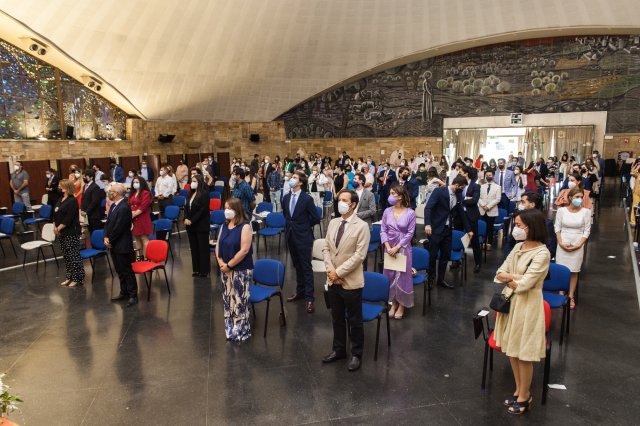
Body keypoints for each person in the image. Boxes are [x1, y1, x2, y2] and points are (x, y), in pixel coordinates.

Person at [494, 208, 551, 415]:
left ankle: (526, 396)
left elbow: (527, 285)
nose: (516, 229)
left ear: (532, 227)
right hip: (511, 301)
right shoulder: (518, 247)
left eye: (519, 226)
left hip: (528, 305)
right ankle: (518, 390)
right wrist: (515, 277)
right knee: (512, 349)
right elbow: (499, 273)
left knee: (523, 352)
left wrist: (511, 277)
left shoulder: (542, 253)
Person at [322, 189, 370, 371]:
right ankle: (339, 349)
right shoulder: (334, 222)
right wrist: (330, 271)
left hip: (350, 281)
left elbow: (359, 256)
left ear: (353, 205)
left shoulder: (361, 226)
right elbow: (326, 247)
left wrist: (338, 273)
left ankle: (356, 353)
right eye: (339, 199)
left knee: (355, 320)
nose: (340, 202)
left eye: (344, 200)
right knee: (337, 318)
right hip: (333, 280)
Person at [215, 197, 254, 342]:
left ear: (237, 210)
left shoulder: (245, 226)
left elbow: (244, 250)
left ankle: (242, 331)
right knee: (228, 299)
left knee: (240, 300)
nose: (226, 211)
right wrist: (220, 262)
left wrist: (229, 265)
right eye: (225, 208)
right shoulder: (224, 225)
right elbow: (218, 244)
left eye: (229, 209)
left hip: (241, 270)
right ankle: (230, 329)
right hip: (225, 269)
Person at [424, 175, 472, 289]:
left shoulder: (458, 195)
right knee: (433, 255)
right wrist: (427, 224)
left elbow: (461, 213)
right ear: (456, 185)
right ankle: (430, 279)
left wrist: (469, 229)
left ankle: (440, 280)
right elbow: (428, 208)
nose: (463, 189)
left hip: (448, 229)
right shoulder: (439, 191)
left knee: (445, 255)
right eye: (462, 187)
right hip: (435, 228)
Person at [283, 171, 321, 313]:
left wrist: (304, 226)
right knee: (297, 266)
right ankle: (300, 292)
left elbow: (316, 218)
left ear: (300, 182)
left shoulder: (307, 199)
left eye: (294, 178)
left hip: (303, 237)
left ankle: (309, 298)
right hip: (290, 236)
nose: (291, 179)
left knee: (306, 267)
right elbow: (286, 216)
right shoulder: (286, 198)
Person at [381, 184, 416, 319]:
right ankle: (393, 303)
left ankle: (402, 305)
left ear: (400, 196)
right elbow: (383, 230)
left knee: (402, 275)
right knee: (390, 275)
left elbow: (410, 233)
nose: (390, 196)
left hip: (403, 247)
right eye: (390, 193)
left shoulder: (410, 213)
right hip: (389, 246)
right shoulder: (386, 211)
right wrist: (388, 247)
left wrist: (397, 247)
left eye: (393, 194)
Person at [555, 187, 591, 309]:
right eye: (577, 197)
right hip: (563, 242)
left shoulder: (586, 212)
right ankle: (561, 294)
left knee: (574, 271)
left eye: (581, 197)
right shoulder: (562, 211)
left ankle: (571, 296)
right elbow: (557, 228)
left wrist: (580, 244)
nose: (579, 199)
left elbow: (587, 230)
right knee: (561, 269)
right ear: (570, 198)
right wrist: (560, 243)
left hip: (578, 243)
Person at [105, 184, 138, 307]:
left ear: (118, 193)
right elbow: (108, 223)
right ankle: (124, 292)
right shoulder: (114, 205)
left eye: (111, 191)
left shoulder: (124, 207)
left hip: (122, 244)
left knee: (127, 270)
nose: (109, 192)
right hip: (113, 243)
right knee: (119, 270)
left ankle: (133, 295)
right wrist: (105, 236)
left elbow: (120, 227)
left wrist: (110, 239)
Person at [54, 179, 84, 288]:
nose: (59, 187)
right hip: (61, 231)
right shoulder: (60, 199)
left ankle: (77, 278)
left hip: (71, 231)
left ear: (66, 187)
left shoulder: (72, 201)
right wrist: (54, 226)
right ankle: (69, 277)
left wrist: (59, 227)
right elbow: (55, 213)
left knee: (73, 255)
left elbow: (69, 218)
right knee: (66, 256)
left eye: (61, 185)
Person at [185, 174, 211, 277]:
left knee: (202, 248)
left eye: (195, 181)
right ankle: (196, 269)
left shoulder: (204, 194)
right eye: (192, 181)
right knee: (194, 248)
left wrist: (192, 220)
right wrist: (186, 218)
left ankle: (204, 271)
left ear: (199, 182)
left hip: (201, 225)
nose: (192, 183)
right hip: (190, 226)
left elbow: (203, 210)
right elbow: (186, 207)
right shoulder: (190, 194)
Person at [460, 166, 482, 273]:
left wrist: (462, 200)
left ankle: (478, 263)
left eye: (462, 173)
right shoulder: (459, 184)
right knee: (459, 236)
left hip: (471, 215)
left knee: (474, 239)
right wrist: (466, 199)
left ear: (467, 174)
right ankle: (456, 261)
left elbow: (474, 201)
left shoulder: (475, 186)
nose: (461, 175)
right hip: (459, 215)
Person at [128, 176, 153, 259]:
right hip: (134, 219)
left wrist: (133, 214)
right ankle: (139, 257)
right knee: (137, 238)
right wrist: (130, 213)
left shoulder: (145, 193)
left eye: (137, 182)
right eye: (134, 182)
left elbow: (143, 206)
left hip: (142, 218)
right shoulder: (133, 193)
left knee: (144, 238)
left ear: (141, 183)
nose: (135, 184)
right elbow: (129, 204)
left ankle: (147, 258)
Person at [479, 170, 501, 250]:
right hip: (482, 209)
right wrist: (483, 205)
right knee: (483, 227)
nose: (488, 176)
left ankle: (489, 243)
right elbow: (479, 197)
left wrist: (488, 206)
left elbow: (498, 199)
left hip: (491, 210)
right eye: (487, 175)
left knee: (490, 228)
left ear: (493, 176)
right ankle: (483, 242)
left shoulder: (497, 187)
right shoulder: (482, 186)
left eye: (490, 175)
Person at [80, 169, 106, 234]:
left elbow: (95, 201)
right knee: (90, 231)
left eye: (86, 176)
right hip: (87, 214)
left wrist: (86, 211)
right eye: (83, 176)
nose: (84, 178)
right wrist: (82, 210)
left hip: (94, 214)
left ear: (91, 177)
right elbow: (84, 199)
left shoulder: (95, 187)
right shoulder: (84, 186)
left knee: (95, 231)